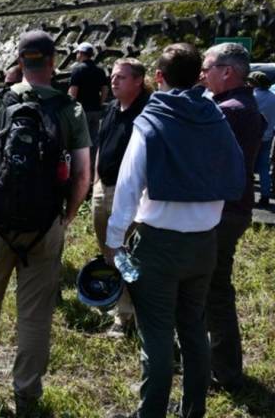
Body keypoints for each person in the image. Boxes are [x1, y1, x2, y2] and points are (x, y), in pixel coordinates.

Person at [0, 30, 91, 413]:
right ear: (52, 61)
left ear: (19, 61)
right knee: (35, 312)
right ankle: (26, 393)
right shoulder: (69, 109)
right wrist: (66, 217)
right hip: (46, 224)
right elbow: (82, 176)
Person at [105, 43, 245, 418]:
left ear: (158, 78)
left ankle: (150, 412)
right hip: (204, 243)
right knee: (195, 331)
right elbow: (233, 172)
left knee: (157, 335)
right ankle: (193, 411)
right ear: (198, 75)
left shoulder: (151, 122)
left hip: (159, 244)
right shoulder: (214, 117)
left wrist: (114, 241)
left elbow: (128, 186)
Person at [202, 43, 264, 392]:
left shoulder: (229, 111)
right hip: (232, 209)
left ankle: (224, 371)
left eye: (208, 67)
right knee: (214, 287)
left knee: (214, 290)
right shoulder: (243, 105)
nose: (203, 73)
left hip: (222, 212)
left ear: (227, 71)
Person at [92, 58, 149, 337]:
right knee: (108, 252)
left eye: (121, 77)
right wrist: (95, 183)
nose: (113, 81)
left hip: (129, 193)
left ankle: (128, 317)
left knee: (128, 253)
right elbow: (102, 146)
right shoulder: (112, 108)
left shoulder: (147, 110)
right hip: (103, 188)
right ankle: (118, 303)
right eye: (113, 76)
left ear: (138, 80)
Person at [68, 42, 109, 172]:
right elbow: (105, 89)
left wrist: (69, 108)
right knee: (94, 141)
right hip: (96, 110)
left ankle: (79, 171)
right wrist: (100, 103)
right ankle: (91, 170)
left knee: (79, 141)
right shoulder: (99, 70)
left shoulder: (77, 70)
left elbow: (73, 92)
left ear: (81, 53)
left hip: (81, 111)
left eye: (77, 53)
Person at [248, 71, 275, 207]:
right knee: (264, 167)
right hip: (268, 136)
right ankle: (265, 195)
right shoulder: (273, 97)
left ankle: (247, 195)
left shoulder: (252, 96)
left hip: (253, 136)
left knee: (249, 166)